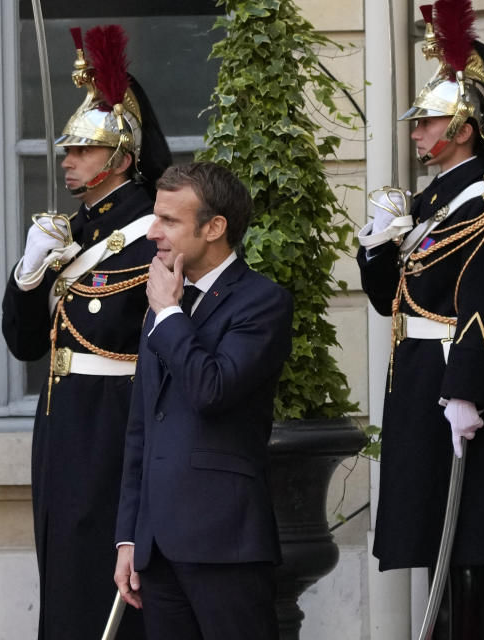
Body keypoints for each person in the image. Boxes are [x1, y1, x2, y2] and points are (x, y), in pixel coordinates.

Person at [356, 2, 484, 637]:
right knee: (432, 532)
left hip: (453, 384)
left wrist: (466, 390)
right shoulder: (429, 201)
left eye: (426, 121)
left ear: (461, 127)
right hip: (417, 380)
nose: (415, 133)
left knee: (466, 541)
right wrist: (377, 247)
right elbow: (388, 299)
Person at [1, 24, 171, 640]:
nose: (67, 160)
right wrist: (28, 273)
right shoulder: (66, 233)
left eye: (81, 151)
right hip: (61, 418)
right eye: (67, 150)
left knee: (104, 575)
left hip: (114, 419)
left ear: (122, 158)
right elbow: (22, 344)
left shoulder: (154, 230)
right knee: (62, 568)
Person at [114, 162, 293, 640]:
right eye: (156, 217)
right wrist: (130, 535)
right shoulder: (164, 296)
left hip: (224, 541)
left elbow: (212, 389)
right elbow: (142, 426)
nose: (153, 232)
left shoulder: (261, 301)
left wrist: (170, 313)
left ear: (215, 227)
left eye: (169, 220)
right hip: (157, 546)